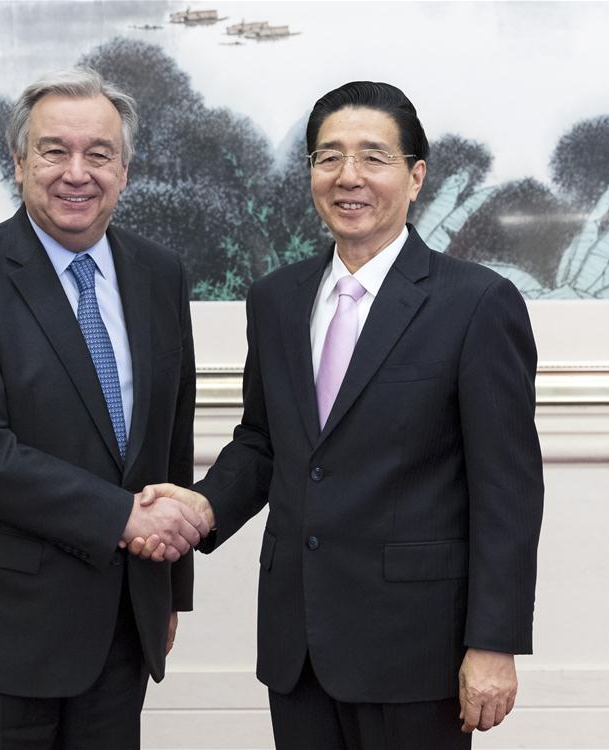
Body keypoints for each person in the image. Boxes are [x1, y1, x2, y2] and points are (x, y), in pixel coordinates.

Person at [133, 81, 544, 749]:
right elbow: (263, 442)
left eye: (372, 157)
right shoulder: (275, 298)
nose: (347, 176)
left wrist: (493, 645)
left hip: (416, 650)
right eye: (328, 157)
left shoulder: (476, 304)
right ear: (310, 174)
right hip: (297, 644)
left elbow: (507, 490)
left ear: (414, 178)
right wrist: (202, 510)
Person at [0, 68, 208, 749]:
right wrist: (126, 517)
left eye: (98, 154)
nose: (77, 172)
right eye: (52, 151)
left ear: (124, 170)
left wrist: (166, 592)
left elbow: (168, 446)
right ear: (18, 164)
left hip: (118, 636)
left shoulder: (161, 276)